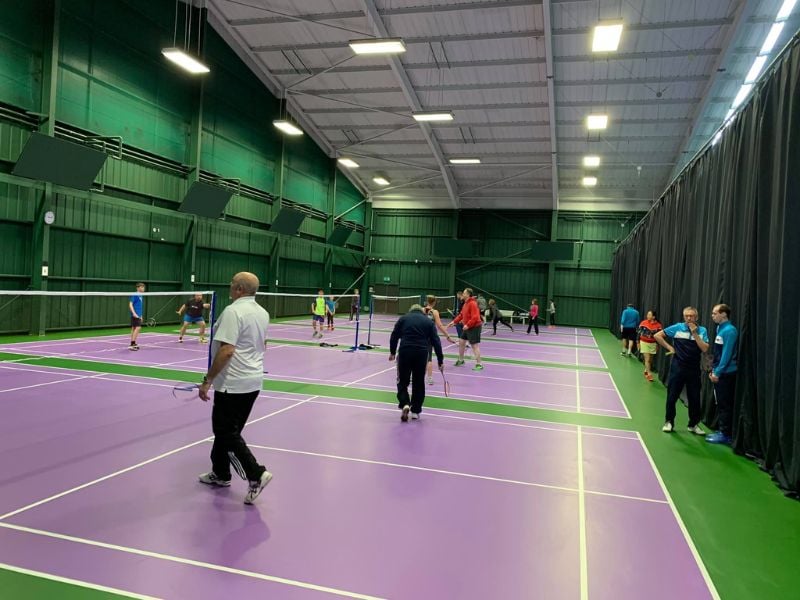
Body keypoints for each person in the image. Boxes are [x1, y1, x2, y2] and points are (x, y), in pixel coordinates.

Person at [198, 272, 272, 505]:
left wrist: (208, 379)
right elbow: (263, 344)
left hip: (233, 384)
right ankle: (220, 473)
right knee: (227, 431)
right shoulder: (263, 312)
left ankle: (256, 473)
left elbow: (227, 350)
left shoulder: (233, 311)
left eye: (232, 284)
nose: (230, 287)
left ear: (239, 289)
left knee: (226, 433)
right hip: (253, 382)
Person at [654, 306, 710, 435]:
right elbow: (657, 336)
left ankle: (693, 425)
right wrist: (670, 348)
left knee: (694, 398)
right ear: (684, 317)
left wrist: (695, 333)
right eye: (686, 316)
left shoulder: (702, 330)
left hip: (694, 369)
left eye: (691, 316)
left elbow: (705, 348)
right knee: (672, 396)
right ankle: (669, 422)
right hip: (677, 368)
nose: (689, 318)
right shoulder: (677, 327)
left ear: (696, 317)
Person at [389, 304, 444, 422]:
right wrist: (440, 360)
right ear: (421, 311)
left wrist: (392, 352)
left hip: (405, 351)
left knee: (402, 380)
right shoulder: (428, 322)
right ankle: (415, 411)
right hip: (421, 353)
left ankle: (405, 403)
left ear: (410, 310)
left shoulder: (403, 319)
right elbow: (436, 341)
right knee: (418, 382)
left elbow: (394, 335)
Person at [706, 304, 739, 445]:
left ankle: (726, 434)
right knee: (720, 402)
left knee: (725, 404)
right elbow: (717, 352)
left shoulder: (730, 331)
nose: (712, 316)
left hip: (726, 374)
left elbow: (727, 354)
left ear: (724, 314)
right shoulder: (719, 328)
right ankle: (722, 430)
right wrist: (712, 369)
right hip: (718, 371)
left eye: (715, 313)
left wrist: (718, 372)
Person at [447, 287, 483, 371]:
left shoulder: (473, 303)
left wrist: (468, 325)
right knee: (462, 341)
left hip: (474, 327)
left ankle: (479, 364)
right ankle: (461, 360)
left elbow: (475, 317)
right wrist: (454, 322)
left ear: (468, 294)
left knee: (474, 345)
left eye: (464, 293)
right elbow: (461, 315)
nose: (462, 294)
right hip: (468, 326)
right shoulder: (465, 303)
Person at [423, 295, 455, 384]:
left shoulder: (422, 310)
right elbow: (440, 326)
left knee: (419, 357)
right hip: (430, 337)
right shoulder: (434, 312)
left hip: (420, 336)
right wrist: (448, 336)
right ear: (434, 302)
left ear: (427, 301)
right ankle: (429, 378)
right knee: (429, 358)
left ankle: (414, 376)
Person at [638, 310, 663, 382]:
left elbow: (659, 336)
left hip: (653, 344)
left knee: (650, 360)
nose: (647, 316)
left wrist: (657, 345)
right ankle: (649, 374)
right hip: (644, 342)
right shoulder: (643, 323)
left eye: (649, 315)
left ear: (653, 317)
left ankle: (646, 370)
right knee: (647, 359)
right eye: (647, 314)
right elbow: (639, 333)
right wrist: (637, 342)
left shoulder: (658, 326)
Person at [128, 282, 145, 351]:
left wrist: (141, 315)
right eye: (142, 287)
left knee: (134, 328)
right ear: (138, 288)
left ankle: (132, 343)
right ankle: (132, 344)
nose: (143, 288)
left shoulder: (141, 295)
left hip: (138, 314)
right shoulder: (135, 294)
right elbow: (130, 304)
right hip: (135, 314)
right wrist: (134, 313)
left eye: (143, 287)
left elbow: (139, 306)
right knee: (138, 328)